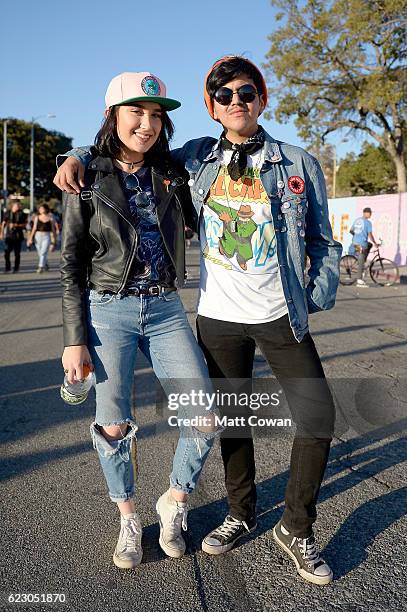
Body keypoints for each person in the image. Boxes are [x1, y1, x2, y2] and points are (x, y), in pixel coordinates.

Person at [54, 56, 342, 585]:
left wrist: (317, 293)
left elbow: (323, 239)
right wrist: (71, 154)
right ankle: (213, 512)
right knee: (209, 418)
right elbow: (110, 164)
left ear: (263, 98)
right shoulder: (176, 161)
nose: (237, 101)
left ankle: (282, 524)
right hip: (188, 315)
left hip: (263, 313)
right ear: (211, 106)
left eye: (247, 92)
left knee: (305, 418)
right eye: (225, 94)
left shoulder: (291, 162)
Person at [59, 71, 218, 570]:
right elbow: (70, 264)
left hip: (166, 307)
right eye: (136, 112)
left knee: (205, 416)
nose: (147, 124)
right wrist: (74, 339)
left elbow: (217, 146)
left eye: (155, 115)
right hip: (109, 309)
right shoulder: (86, 178)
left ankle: (174, 500)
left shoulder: (171, 169)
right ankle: (128, 517)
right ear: (113, 116)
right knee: (112, 423)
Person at [349, 207, 378, 288]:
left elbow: (351, 230)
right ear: (365, 213)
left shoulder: (357, 220)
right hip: (361, 244)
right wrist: (375, 243)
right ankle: (359, 280)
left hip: (355, 243)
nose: (371, 214)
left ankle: (361, 265)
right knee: (361, 260)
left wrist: (356, 236)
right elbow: (370, 234)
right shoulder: (368, 222)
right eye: (370, 213)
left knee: (369, 246)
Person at [27, 204, 57, 272]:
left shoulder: (51, 218)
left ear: (46, 209)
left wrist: (54, 241)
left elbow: (53, 230)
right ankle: (45, 264)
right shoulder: (37, 217)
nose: (41, 210)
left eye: (42, 208)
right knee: (40, 252)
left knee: (43, 252)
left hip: (47, 236)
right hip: (38, 236)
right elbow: (34, 228)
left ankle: (40, 267)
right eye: (40, 209)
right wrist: (30, 238)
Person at [0, 202, 27, 273]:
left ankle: (16, 268)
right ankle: (7, 268)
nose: (17, 207)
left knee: (17, 253)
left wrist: (16, 225)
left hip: (18, 236)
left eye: (18, 206)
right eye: (16, 206)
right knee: (7, 252)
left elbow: (25, 225)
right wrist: (1, 233)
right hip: (9, 236)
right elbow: (3, 223)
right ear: (12, 206)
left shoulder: (22, 214)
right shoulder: (8, 213)